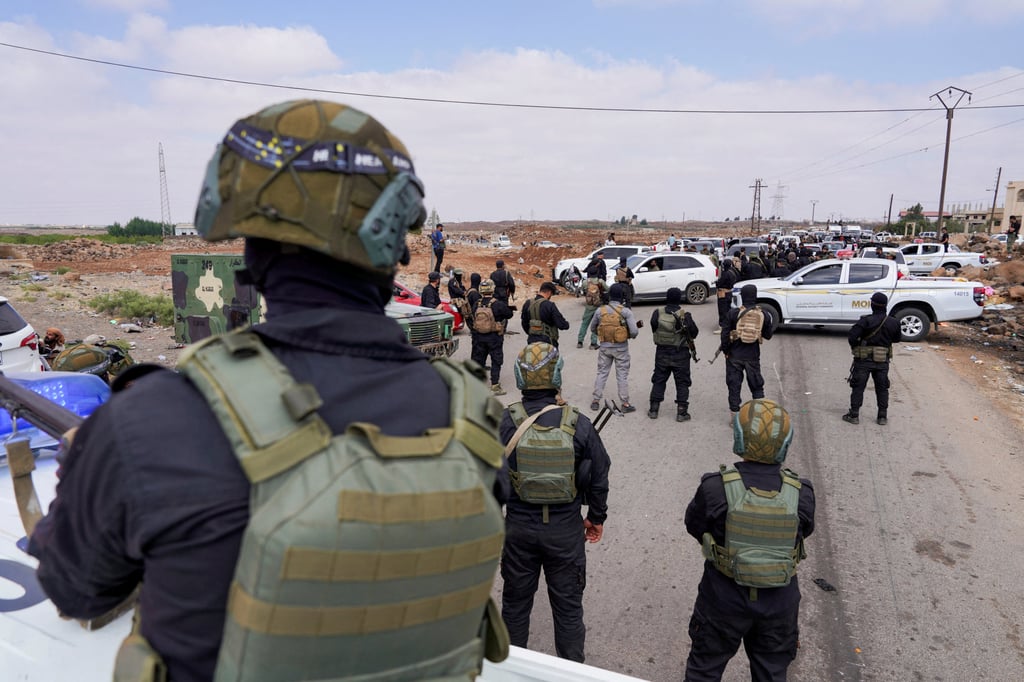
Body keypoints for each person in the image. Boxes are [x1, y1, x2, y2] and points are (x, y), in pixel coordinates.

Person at [27, 99, 510, 681]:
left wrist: (89, 468)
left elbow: (77, 591)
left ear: (251, 247)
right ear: (393, 248)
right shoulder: (475, 418)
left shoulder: (151, 423)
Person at [683, 399, 815, 681]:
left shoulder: (715, 486)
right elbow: (804, 531)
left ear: (739, 437)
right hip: (779, 601)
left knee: (704, 671)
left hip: (722, 597)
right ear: (785, 443)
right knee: (772, 672)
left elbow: (694, 526)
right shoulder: (801, 492)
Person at [499, 342, 610, 663]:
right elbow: (600, 475)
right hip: (565, 531)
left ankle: (510, 670)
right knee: (569, 610)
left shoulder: (505, 422)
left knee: (515, 608)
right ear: (557, 375)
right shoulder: (578, 423)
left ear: (520, 376)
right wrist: (597, 517)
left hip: (518, 530)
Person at [843, 291, 902, 425]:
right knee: (882, 388)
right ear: (885, 305)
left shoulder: (865, 320)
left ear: (872, 305)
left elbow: (852, 337)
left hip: (863, 360)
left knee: (858, 387)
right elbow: (897, 339)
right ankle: (882, 417)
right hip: (882, 361)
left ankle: (854, 415)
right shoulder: (894, 322)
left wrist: (857, 347)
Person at [720, 284, 774, 416]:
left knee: (734, 386)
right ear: (755, 296)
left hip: (734, 356)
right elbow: (768, 335)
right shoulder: (763, 315)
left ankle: (735, 417)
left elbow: (724, 335)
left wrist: (726, 352)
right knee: (757, 385)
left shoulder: (733, 313)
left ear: (742, 297)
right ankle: (759, 415)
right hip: (753, 356)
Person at [648, 287, 699, 421]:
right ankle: (681, 413)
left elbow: (653, 327)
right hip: (680, 353)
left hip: (661, 352)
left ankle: (654, 409)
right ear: (679, 299)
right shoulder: (684, 315)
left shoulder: (657, 313)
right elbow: (694, 333)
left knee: (659, 379)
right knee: (682, 382)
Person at [589, 283, 640, 413]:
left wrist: (604, 336)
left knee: (602, 373)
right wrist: (625, 334)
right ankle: (625, 403)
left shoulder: (600, 311)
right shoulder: (626, 312)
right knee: (622, 375)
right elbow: (634, 332)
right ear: (622, 296)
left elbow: (593, 328)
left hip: (605, 347)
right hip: (621, 348)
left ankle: (595, 400)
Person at [471, 278, 514, 395]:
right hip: (494, 337)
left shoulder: (477, 303)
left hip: (478, 337)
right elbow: (509, 314)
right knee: (496, 360)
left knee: (478, 359)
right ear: (492, 289)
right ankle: (495, 385)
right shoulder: (497, 304)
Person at [522, 281, 570, 347]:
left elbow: (524, 323)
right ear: (549, 292)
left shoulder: (528, 303)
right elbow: (561, 325)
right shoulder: (549, 305)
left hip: (532, 342)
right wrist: (566, 324)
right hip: (548, 343)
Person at [578, 272, 608, 350]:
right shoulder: (600, 281)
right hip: (598, 306)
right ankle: (593, 343)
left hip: (588, 306)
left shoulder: (585, 282)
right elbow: (607, 289)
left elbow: (582, 290)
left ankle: (580, 342)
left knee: (584, 324)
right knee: (597, 325)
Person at [715, 259, 739, 333]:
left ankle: (722, 327)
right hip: (729, 293)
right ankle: (730, 326)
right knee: (728, 310)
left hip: (723, 293)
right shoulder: (733, 272)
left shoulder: (725, 273)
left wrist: (717, 283)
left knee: (722, 311)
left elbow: (720, 283)